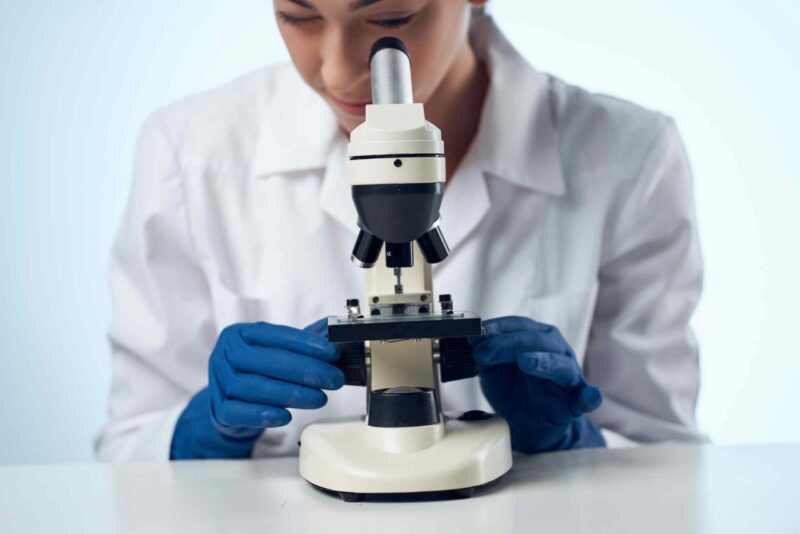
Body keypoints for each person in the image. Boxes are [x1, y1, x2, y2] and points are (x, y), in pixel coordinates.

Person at [95, 0, 707, 461]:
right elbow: (127, 452)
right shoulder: (190, 152)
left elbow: (668, 464)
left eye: (391, 16)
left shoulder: (628, 158)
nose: (338, 72)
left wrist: (575, 440)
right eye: (298, 17)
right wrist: (204, 431)